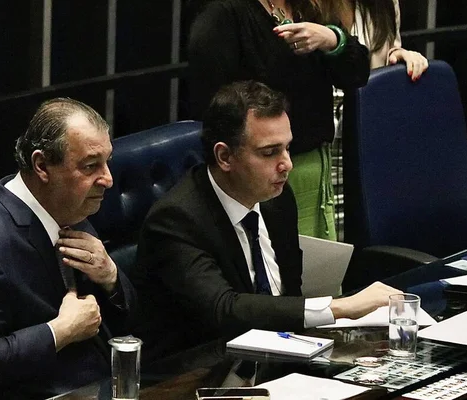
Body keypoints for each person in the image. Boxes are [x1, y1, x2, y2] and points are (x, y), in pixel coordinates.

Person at [133, 80, 400, 361]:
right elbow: (224, 309)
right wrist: (340, 308)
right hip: (196, 372)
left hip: (275, 357)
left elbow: (289, 295)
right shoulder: (176, 219)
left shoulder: (277, 199)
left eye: (287, 148)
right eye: (270, 152)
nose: (287, 164)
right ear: (224, 156)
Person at [0, 98, 136, 399]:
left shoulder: (71, 211)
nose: (108, 179)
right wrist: (59, 332)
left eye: (107, 162)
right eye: (91, 166)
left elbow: (129, 323)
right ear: (42, 166)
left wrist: (111, 277)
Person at [188, 0, 371, 241]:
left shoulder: (309, 6)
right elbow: (213, 108)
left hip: (314, 167)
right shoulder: (223, 12)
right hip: (258, 174)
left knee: (321, 271)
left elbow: (357, 73)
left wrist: (332, 40)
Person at [320, 0, 428, 79]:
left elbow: (385, 50)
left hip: (371, 104)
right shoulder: (307, 6)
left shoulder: (386, 3)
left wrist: (398, 55)